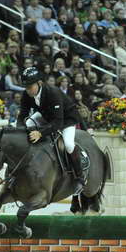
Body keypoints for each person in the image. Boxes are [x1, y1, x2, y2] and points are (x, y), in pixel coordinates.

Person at [17, 67, 87, 195]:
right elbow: (22, 115)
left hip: (66, 119)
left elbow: (57, 122)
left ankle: (79, 178)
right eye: (25, 87)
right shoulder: (27, 94)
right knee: (27, 124)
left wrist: (40, 133)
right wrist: (19, 130)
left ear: (39, 83)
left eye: (29, 86)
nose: (27, 90)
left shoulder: (53, 93)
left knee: (68, 145)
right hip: (46, 116)